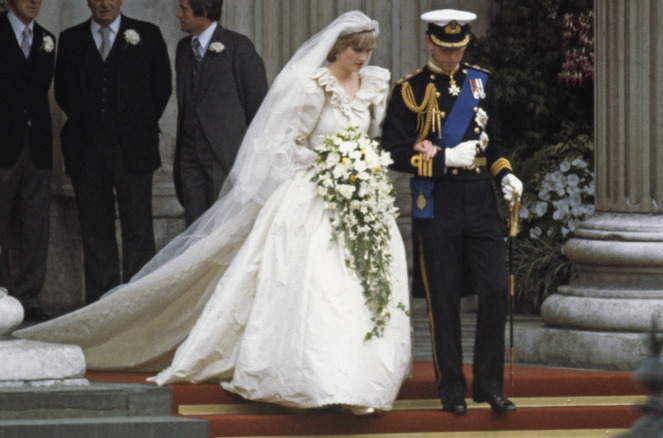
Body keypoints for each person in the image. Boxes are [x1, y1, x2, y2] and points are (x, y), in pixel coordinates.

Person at [16, 10, 411, 415]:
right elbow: (281, 144)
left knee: (361, 286)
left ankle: (358, 375)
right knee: (316, 284)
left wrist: (363, 163)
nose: (362, 58)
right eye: (355, 50)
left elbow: (378, 140)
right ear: (337, 48)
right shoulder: (308, 85)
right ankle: (315, 371)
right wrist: (329, 160)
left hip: (360, 198)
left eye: (367, 51)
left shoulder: (374, 87)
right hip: (312, 196)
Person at [381, 9, 523, 415]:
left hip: (480, 200)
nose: (452, 56)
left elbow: (495, 142)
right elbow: (393, 152)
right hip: (437, 202)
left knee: (495, 290)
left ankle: (489, 386)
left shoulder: (481, 83)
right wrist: (444, 159)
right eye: (445, 48)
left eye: (459, 48)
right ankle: (451, 389)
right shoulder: (409, 89)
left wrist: (507, 175)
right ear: (429, 42)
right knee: (443, 299)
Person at [55, 0, 172, 304]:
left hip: (133, 150)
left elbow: (162, 87)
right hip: (86, 151)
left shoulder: (147, 34)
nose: (105, 3)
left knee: (138, 230)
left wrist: (136, 124)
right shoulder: (70, 39)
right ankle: (101, 306)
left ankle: (138, 304)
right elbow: (63, 92)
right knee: (95, 231)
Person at [174, 0, 268, 225]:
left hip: (224, 154)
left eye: (184, 9)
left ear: (203, 12)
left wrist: (250, 156)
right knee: (195, 225)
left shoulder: (238, 46)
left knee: (224, 225)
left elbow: (257, 104)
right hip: (189, 156)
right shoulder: (183, 49)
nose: (178, 15)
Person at [0, 0, 55, 322]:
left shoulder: (48, 39)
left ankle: (30, 297)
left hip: (37, 146)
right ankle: (2, 293)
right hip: (2, 144)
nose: (33, 1)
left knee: (36, 224)